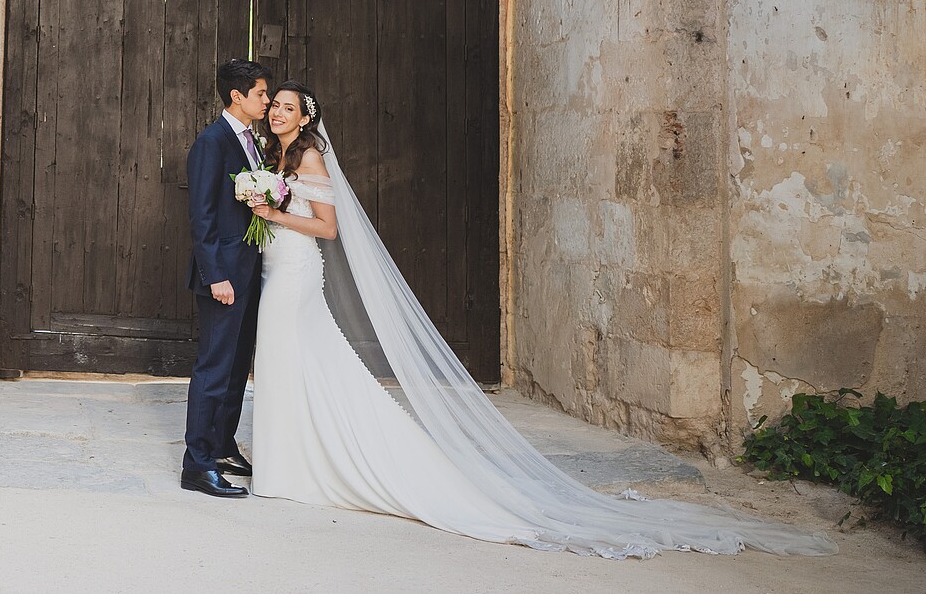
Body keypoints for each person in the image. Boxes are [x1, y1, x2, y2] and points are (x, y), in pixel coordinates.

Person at [235, 79, 835, 557]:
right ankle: (292, 464)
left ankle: (313, 467)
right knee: (294, 365)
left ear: (306, 118)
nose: (279, 113)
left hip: (297, 273)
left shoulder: (309, 159)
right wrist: (264, 206)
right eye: (276, 107)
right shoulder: (273, 154)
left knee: (299, 357)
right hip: (276, 272)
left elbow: (329, 229)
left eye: (287, 107)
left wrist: (272, 210)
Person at [179, 58, 271, 498]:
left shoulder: (252, 141)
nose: (267, 102)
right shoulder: (211, 143)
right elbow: (202, 217)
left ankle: (221, 443)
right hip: (223, 278)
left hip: (250, 272)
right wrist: (216, 275)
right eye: (261, 94)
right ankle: (196, 465)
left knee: (237, 368)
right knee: (214, 369)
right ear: (237, 96)